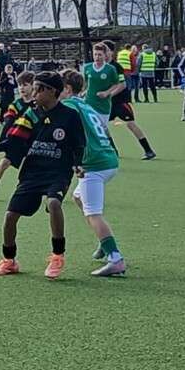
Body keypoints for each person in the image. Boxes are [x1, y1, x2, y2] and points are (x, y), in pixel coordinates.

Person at [0, 71, 86, 280]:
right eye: (33, 88)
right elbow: (14, 141)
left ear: (52, 91)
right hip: (32, 172)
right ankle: (9, 260)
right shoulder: (30, 114)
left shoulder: (70, 116)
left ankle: (57, 255)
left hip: (58, 171)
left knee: (53, 204)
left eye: (38, 89)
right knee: (10, 217)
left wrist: (78, 164)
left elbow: (79, 144)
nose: (34, 93)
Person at [60, 70, 126, 277]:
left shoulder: (69, 105)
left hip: (95, 164)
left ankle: (115, 259)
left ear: (67, 89)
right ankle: (104, 243)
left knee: (92, 212)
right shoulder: (84, 105)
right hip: (108, 160)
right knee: (78, 196)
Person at [0, 70, 35, 202]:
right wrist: (2, 141)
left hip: (34, 141)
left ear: (34, 86)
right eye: (20, 85)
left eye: (25, 85)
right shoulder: (16, 105)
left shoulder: (39, 104)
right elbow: (8, 124)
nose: (22, 88)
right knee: (3, 163)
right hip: (18, 141)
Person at [100, 41, 157, 160]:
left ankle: (148, 150)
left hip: (121, 101)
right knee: (101, 126)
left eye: (104, 51)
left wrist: (109, 95)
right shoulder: (101, 67)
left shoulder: (116, 67)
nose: (101, 54)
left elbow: (122, 85)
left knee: (131, 124)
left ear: (110, 52)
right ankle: (113, 151)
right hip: (107, 104)